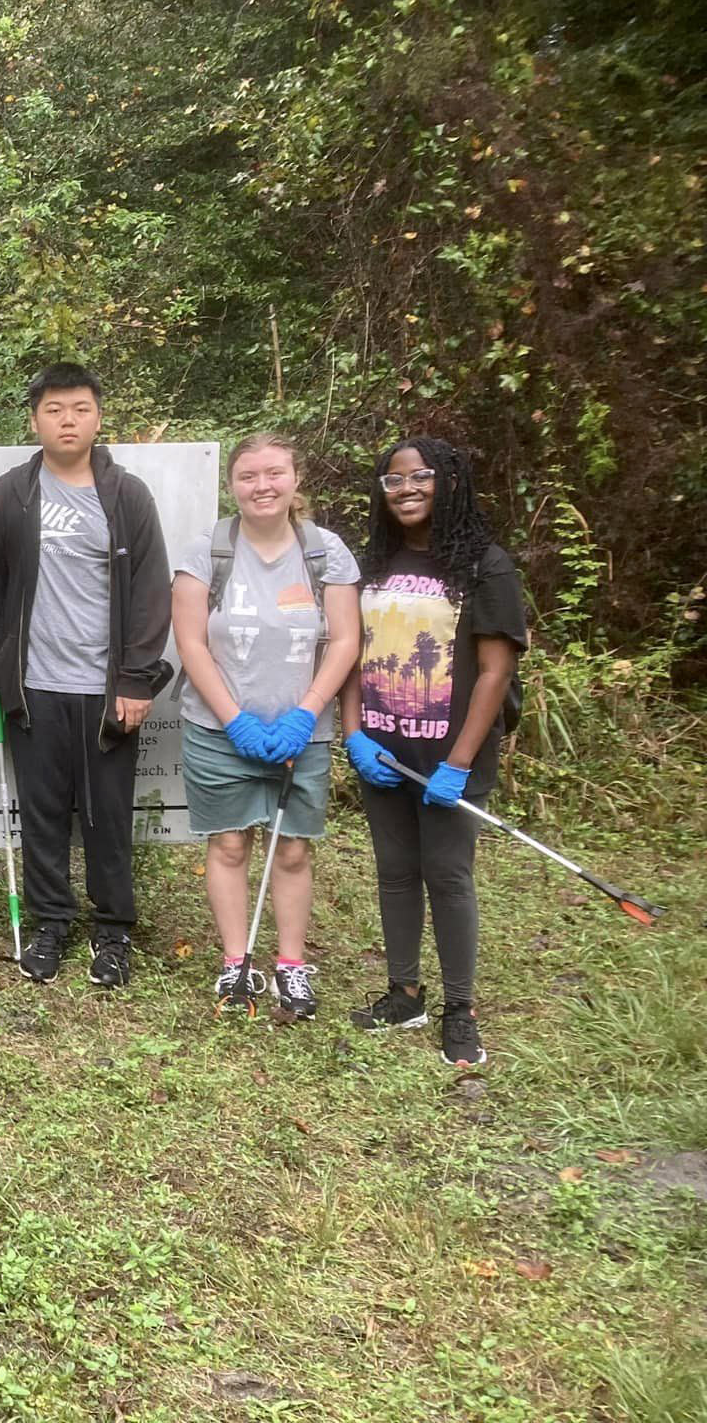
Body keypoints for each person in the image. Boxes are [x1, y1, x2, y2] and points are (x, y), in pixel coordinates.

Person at [0, 362, 171, 987]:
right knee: (43, 813)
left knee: (108, 816)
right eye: (54, 409)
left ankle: (112, 933)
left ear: (97, 416)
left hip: (107, 690)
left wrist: (137, 680)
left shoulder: (127, 495)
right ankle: (50, 923)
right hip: (35, 687)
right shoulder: (10, 494)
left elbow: (150, 593)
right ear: (34, 419)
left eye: (79, 408)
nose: (67, 420)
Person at [341, 437, 526, 1067]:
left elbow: (496, 672)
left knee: (447, 876)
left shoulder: (484, 565)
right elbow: (349, 652)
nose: (407, 489)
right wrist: (351, 731)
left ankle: (459, 1009)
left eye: (420, 477)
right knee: (394, 871)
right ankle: (405, 993)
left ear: (449, 481)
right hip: (382, 749)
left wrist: (460, 762)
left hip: (449, 754)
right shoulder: (373, 562)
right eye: (393, 481)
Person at [171, 434, 361, 1017]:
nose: (262, 486)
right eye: (249, 476)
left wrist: (308, 710)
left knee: (294, 850)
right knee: (229, 844)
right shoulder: (208, 550)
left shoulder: (326, 552)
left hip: (302, 731)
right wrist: (236, 722)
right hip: (217, 728)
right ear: (232, 484)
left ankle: (291, 965)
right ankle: (236, 962)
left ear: (295, 479)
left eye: (274, 473)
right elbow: (191, 643)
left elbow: (347, 639)